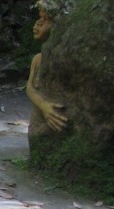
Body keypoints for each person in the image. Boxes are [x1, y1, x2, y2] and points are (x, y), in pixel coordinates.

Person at [26, 3, 68, 132]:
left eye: (45, 20)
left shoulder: (63, 57)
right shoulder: (37, 59)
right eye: (39, 18)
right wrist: (43, 105)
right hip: (40, 123)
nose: (38, 23)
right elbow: (29, 88)